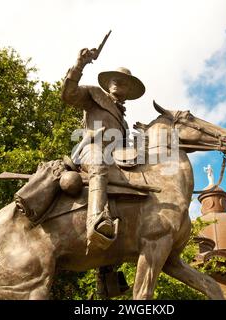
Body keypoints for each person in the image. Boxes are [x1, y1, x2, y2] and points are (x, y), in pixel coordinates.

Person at [61, 47, 145, 251]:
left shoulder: (124, 124)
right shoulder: (94, 94)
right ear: (108, 83)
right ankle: (97, 222)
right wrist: (80, 64)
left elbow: (128, 153)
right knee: (99, 165)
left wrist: (144, 138)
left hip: (115, 159)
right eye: (115, 79)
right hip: (91, 150)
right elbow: (68, 94)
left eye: (124, 82)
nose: (118, 82)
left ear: (128, 91)